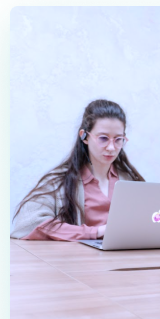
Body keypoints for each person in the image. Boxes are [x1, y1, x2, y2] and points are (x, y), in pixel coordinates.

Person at [11, 99, 145, 241]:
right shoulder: (59, 181)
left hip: (126, 260)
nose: (111, 147)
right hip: (76, 261)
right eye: (103, 138)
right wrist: (96, 232)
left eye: (118, 139)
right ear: (84, 136)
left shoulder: (130, 181)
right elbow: (27, 225)